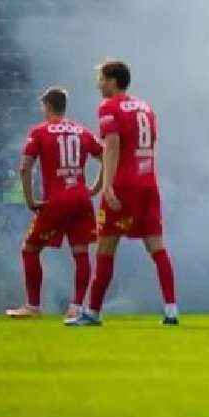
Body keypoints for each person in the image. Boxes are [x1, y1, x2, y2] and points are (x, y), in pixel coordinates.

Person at [72, 61, 178, 327]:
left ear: (112, 80)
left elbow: (112, 147)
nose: (98, 84)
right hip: (148, 184)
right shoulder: (147, 108)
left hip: (124, 185)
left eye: (101, 79)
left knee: (106, 246)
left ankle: (93, 312)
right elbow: (146, 144)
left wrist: (106, 186)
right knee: (157, 248)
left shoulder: (109, 107)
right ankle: (171, 310)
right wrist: (100, 180)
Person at [4, 87, 101, 321]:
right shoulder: (81, 131)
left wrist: (30, 199)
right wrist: (96, 188)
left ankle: (33, 306)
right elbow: (106, 156)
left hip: (56, 200)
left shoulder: (39, 131)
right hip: (80, 198)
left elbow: (25, 166)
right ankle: (77, 306)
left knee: (30, 249)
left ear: (47, 106)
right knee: (80, 252)